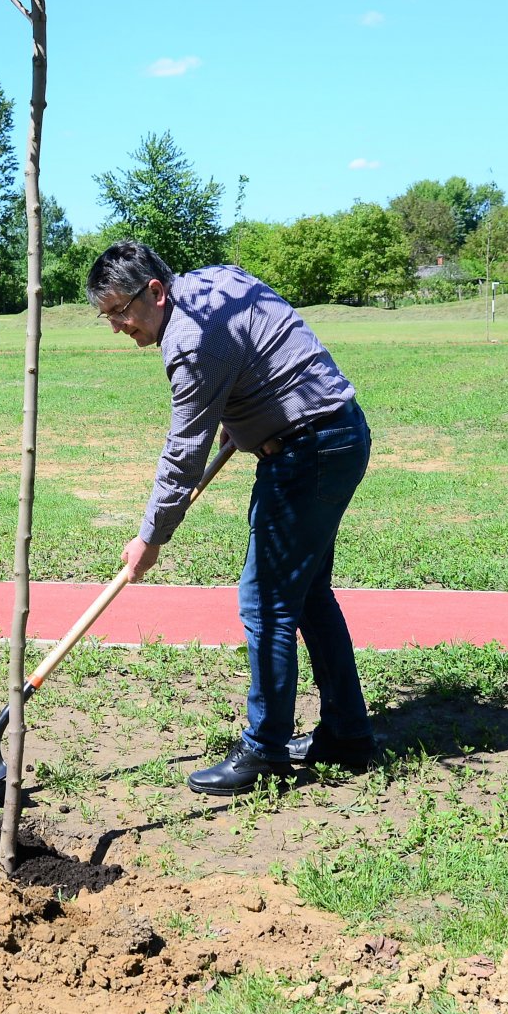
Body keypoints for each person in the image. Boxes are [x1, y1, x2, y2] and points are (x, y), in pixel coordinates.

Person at [88, 240, 377, 795]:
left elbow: (183, 452)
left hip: (308, 451)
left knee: (265, 602)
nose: (119, 327)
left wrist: (151, 537)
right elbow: (258, 349)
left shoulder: (191, 339)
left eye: (120, 312)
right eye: (108, 318)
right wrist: (242, 414)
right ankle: (347, 734)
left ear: (155, 291)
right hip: (336, 434)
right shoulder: (215, 284)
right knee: (308, 597)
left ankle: (265, 749)